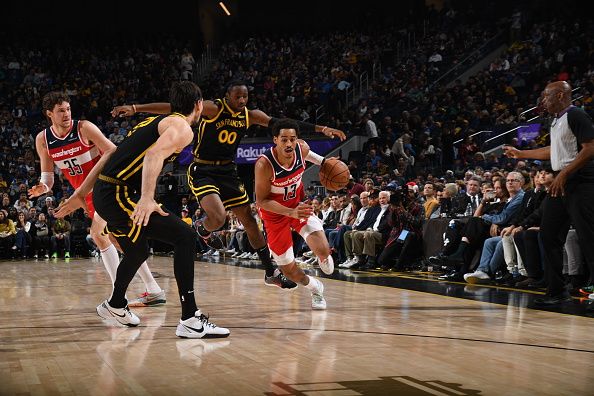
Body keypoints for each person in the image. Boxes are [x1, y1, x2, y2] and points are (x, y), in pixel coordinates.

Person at [112, 80, 346, 290]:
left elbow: (284, 123)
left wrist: (321, 129)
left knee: (250, 222)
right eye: (238, 97)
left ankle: (270, 272)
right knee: (219, 217)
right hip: (203, 169)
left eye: (245, 97)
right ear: (227, 96)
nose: (242, 101)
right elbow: (173, 108)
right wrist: (135, 108)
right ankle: (202, 229)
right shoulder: (214, 109)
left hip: (227, 170)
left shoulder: (249, 115)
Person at [59, 81, 229, 337]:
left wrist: (81, 193)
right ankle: (190, 319)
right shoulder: (182, 127)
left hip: (108, 191)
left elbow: (115, 153)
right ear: (198, 105)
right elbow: (153, 156)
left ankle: (115, 304)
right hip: (118, 193)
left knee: (137, 250)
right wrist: (148, 198)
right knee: (184, 236)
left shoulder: (155, 121)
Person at [29, 91, 165, 307]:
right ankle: (153, 288)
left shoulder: (83, 128)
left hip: (105, 185)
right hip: (85, 194)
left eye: (68, 109)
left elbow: (112, 150)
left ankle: (117, 297)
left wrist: (92, 187)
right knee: (115, 240)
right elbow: (48, 178)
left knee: (98, 235)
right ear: (49, 114)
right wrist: (42, 187)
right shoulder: (43, 140)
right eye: (60, 111)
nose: (66, 114)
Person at [504, 81, 594, 306]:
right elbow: (553, 151)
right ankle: (556, 290)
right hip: (561, 181)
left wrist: (563, 174)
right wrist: (521, 153)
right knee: (548, 234)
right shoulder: (555, 121)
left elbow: (591, 147)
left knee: (588, 236)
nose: (543, 101)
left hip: (580, 182)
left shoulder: (576, 115)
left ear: (561, 95)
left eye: (546, 96)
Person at [254, 118, 335, 309]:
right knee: (288, 270)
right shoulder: (264, 165)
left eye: (292, 139)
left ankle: (322, 256)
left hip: (298, 206)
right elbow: (262, 201)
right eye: (284, 139)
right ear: (275, 140)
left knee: (324, 252)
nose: (289, 143)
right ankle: (315, 288)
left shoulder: (302, 148)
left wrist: (325, 163)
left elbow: (314, 158)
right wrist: (290, 212)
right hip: (274, 216)